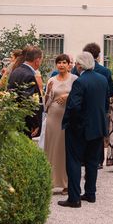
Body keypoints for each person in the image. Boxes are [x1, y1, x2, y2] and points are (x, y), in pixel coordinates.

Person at [59, 52, 110, 208]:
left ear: (79, 65)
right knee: (92, 162)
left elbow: (74, 106)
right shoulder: (102, 80)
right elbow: (106, 103)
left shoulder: (80, 82)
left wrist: (69, 123)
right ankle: (90, 193)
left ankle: (74, 198)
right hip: (98, 127)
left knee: (74, 161)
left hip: (80, 129)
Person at [71, 42, 113, 169]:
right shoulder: (105, 72)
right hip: (100, 110)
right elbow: (110, 92)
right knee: (97, 137)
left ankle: (83, 160)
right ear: (97, 55)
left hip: (82, 110)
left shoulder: (76, 70)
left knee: (82, 137)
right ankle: (98, 161)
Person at [44, 54, 77, 193]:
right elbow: (46, 103)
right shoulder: (51, 80)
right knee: (51, 147)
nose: (61, 65)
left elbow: (79, 96)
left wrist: (67, 96)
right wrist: (48, 92)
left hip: (68, 117)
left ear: (69, 64)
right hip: (53, 117)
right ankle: (49, 181)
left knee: (65, 149)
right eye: (59, 63)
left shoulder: (74, 79)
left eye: (64, 62)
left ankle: (66, 183)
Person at [7, 46, 44, 138]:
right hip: (24, 122)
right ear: (37, 60)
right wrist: (35, 123)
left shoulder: (16, 71)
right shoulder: (29, 75)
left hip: (15, 117)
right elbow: (28, 102)